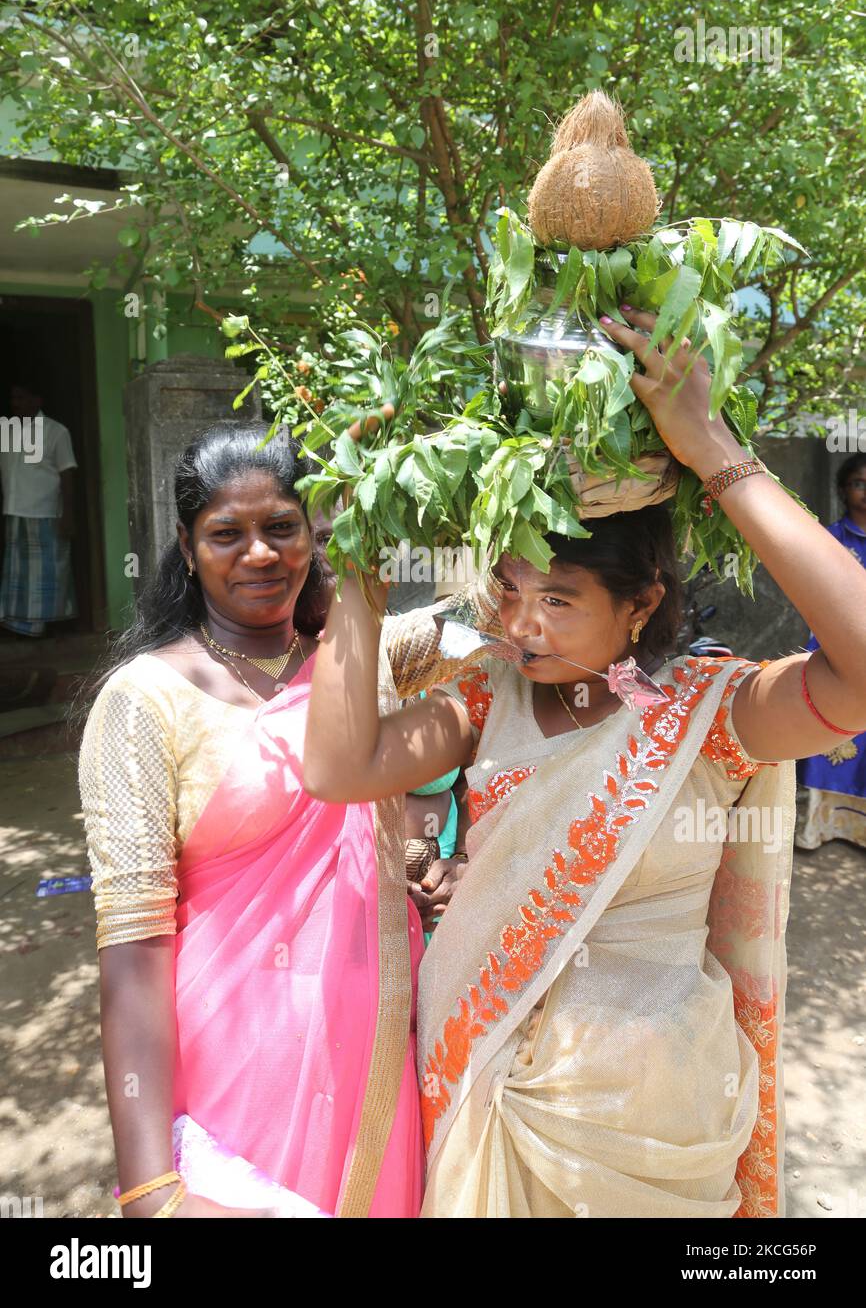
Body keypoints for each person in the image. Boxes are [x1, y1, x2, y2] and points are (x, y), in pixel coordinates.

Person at [303, 306, 866, 1218]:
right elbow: (338, 768)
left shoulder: (706, 717)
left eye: (558, 600)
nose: (521, 624)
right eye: (510, 589)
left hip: (654, 1127)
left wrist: (713, 450)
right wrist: (357, 562)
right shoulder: (489, 699)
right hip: (488, 1094)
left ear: (642, 604)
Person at [79, 423, 439, 1219]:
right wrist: (149, 1188)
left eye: (282, 526)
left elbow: (507, 624)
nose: (260, 554)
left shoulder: (357, 660)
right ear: (185, 543)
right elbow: (134, 949)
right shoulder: (143, 701)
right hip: (232, 1080)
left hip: (373, 1059)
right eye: (226, 534)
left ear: (317, 531)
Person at [796, 454, 866, 850]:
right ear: (843, 489)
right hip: (835, 649)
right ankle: (819, 829)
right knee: (834, 735)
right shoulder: (830, 538)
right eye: (858, 483)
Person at [0, 384, 77, 637]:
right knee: (19, 576)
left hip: (45, 514)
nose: (16, 403)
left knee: (48, 575)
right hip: (14, 512)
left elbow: (67, 474)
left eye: (21, 397)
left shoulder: (56, 431)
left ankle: (49, 629)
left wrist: (68, 514)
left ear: (37, 399)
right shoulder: (7, 430)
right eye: (13, 398)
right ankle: (18, 628)